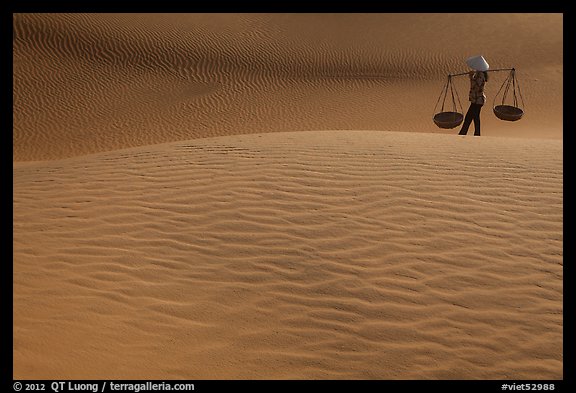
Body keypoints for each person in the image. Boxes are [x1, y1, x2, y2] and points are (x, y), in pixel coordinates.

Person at [458, 70, 488, 136]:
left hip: (478, 101)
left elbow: (476, 86)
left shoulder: (481, 75)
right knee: (473, 117)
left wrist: (471, 77)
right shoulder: (478, 74)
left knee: (471, 117)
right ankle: (467, 133)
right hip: (476, 100)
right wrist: (472, 76)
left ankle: (464, 133)